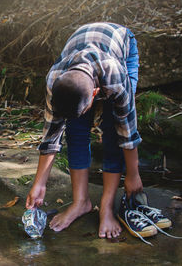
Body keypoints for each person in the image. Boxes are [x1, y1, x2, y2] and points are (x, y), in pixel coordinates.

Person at [25, 22, 149, 239]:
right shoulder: (55, 80)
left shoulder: (115, 78)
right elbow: (51, 136)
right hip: (80, 48)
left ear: (95, 94)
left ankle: (106, 207)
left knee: (112, 130)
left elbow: (127, 131)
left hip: (120, 44)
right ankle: (81, 202)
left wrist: (133, 174)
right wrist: (39, 184)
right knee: (75, 130)